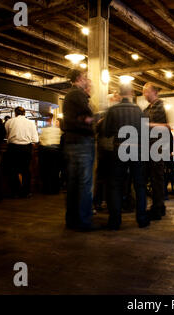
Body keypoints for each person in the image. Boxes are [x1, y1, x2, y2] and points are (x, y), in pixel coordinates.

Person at [104, 83, 150, 230]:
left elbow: (106, 132)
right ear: (130, 93)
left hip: (119, 149)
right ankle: (142, 219)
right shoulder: (139, 110)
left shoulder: (112, 110)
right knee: (139, 185)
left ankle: (115, 221)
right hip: (137, 150)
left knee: (116, 185)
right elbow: (145, 133)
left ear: (119, 93)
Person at [61, 69, 96, 231]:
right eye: (85, 78)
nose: (86, 81)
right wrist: (93, 119)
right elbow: (88, 116)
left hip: (71, 142)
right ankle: (83, 221)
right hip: (82, 143)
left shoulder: (69, 95)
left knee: (73, 183)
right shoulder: (78, 94)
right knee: (84, 184)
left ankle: (72, 220)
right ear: (79, 78)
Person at [142, 82, 169, 220]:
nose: (144, 94)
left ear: (154, 92)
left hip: (157, 146)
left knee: (156, 179)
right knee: (153, 179)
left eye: (146, 91)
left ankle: (158, 209)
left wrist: (148, 125)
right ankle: (159, 206)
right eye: (143, 91)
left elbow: (167, 126)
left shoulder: (161, 107)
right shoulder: (147, 109)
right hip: (148, 147)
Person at [5, 106, 39, 198]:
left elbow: (6, 135)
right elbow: (35, 139)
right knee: (26, 170)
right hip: (26, 148)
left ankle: (15, 192)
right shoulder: (31, 123)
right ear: (24, 113)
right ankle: (26, 192)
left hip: (13, 148)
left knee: (13, 170)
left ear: (15, 113)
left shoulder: (9, 121)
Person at [38, 113, 62, 195]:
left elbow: (40, 140)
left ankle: (47, 189)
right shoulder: (57, 129)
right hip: (55, 151)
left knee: (46, 171)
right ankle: (54, 189)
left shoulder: (44, 129)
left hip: (47, 150)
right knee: (54, 171)